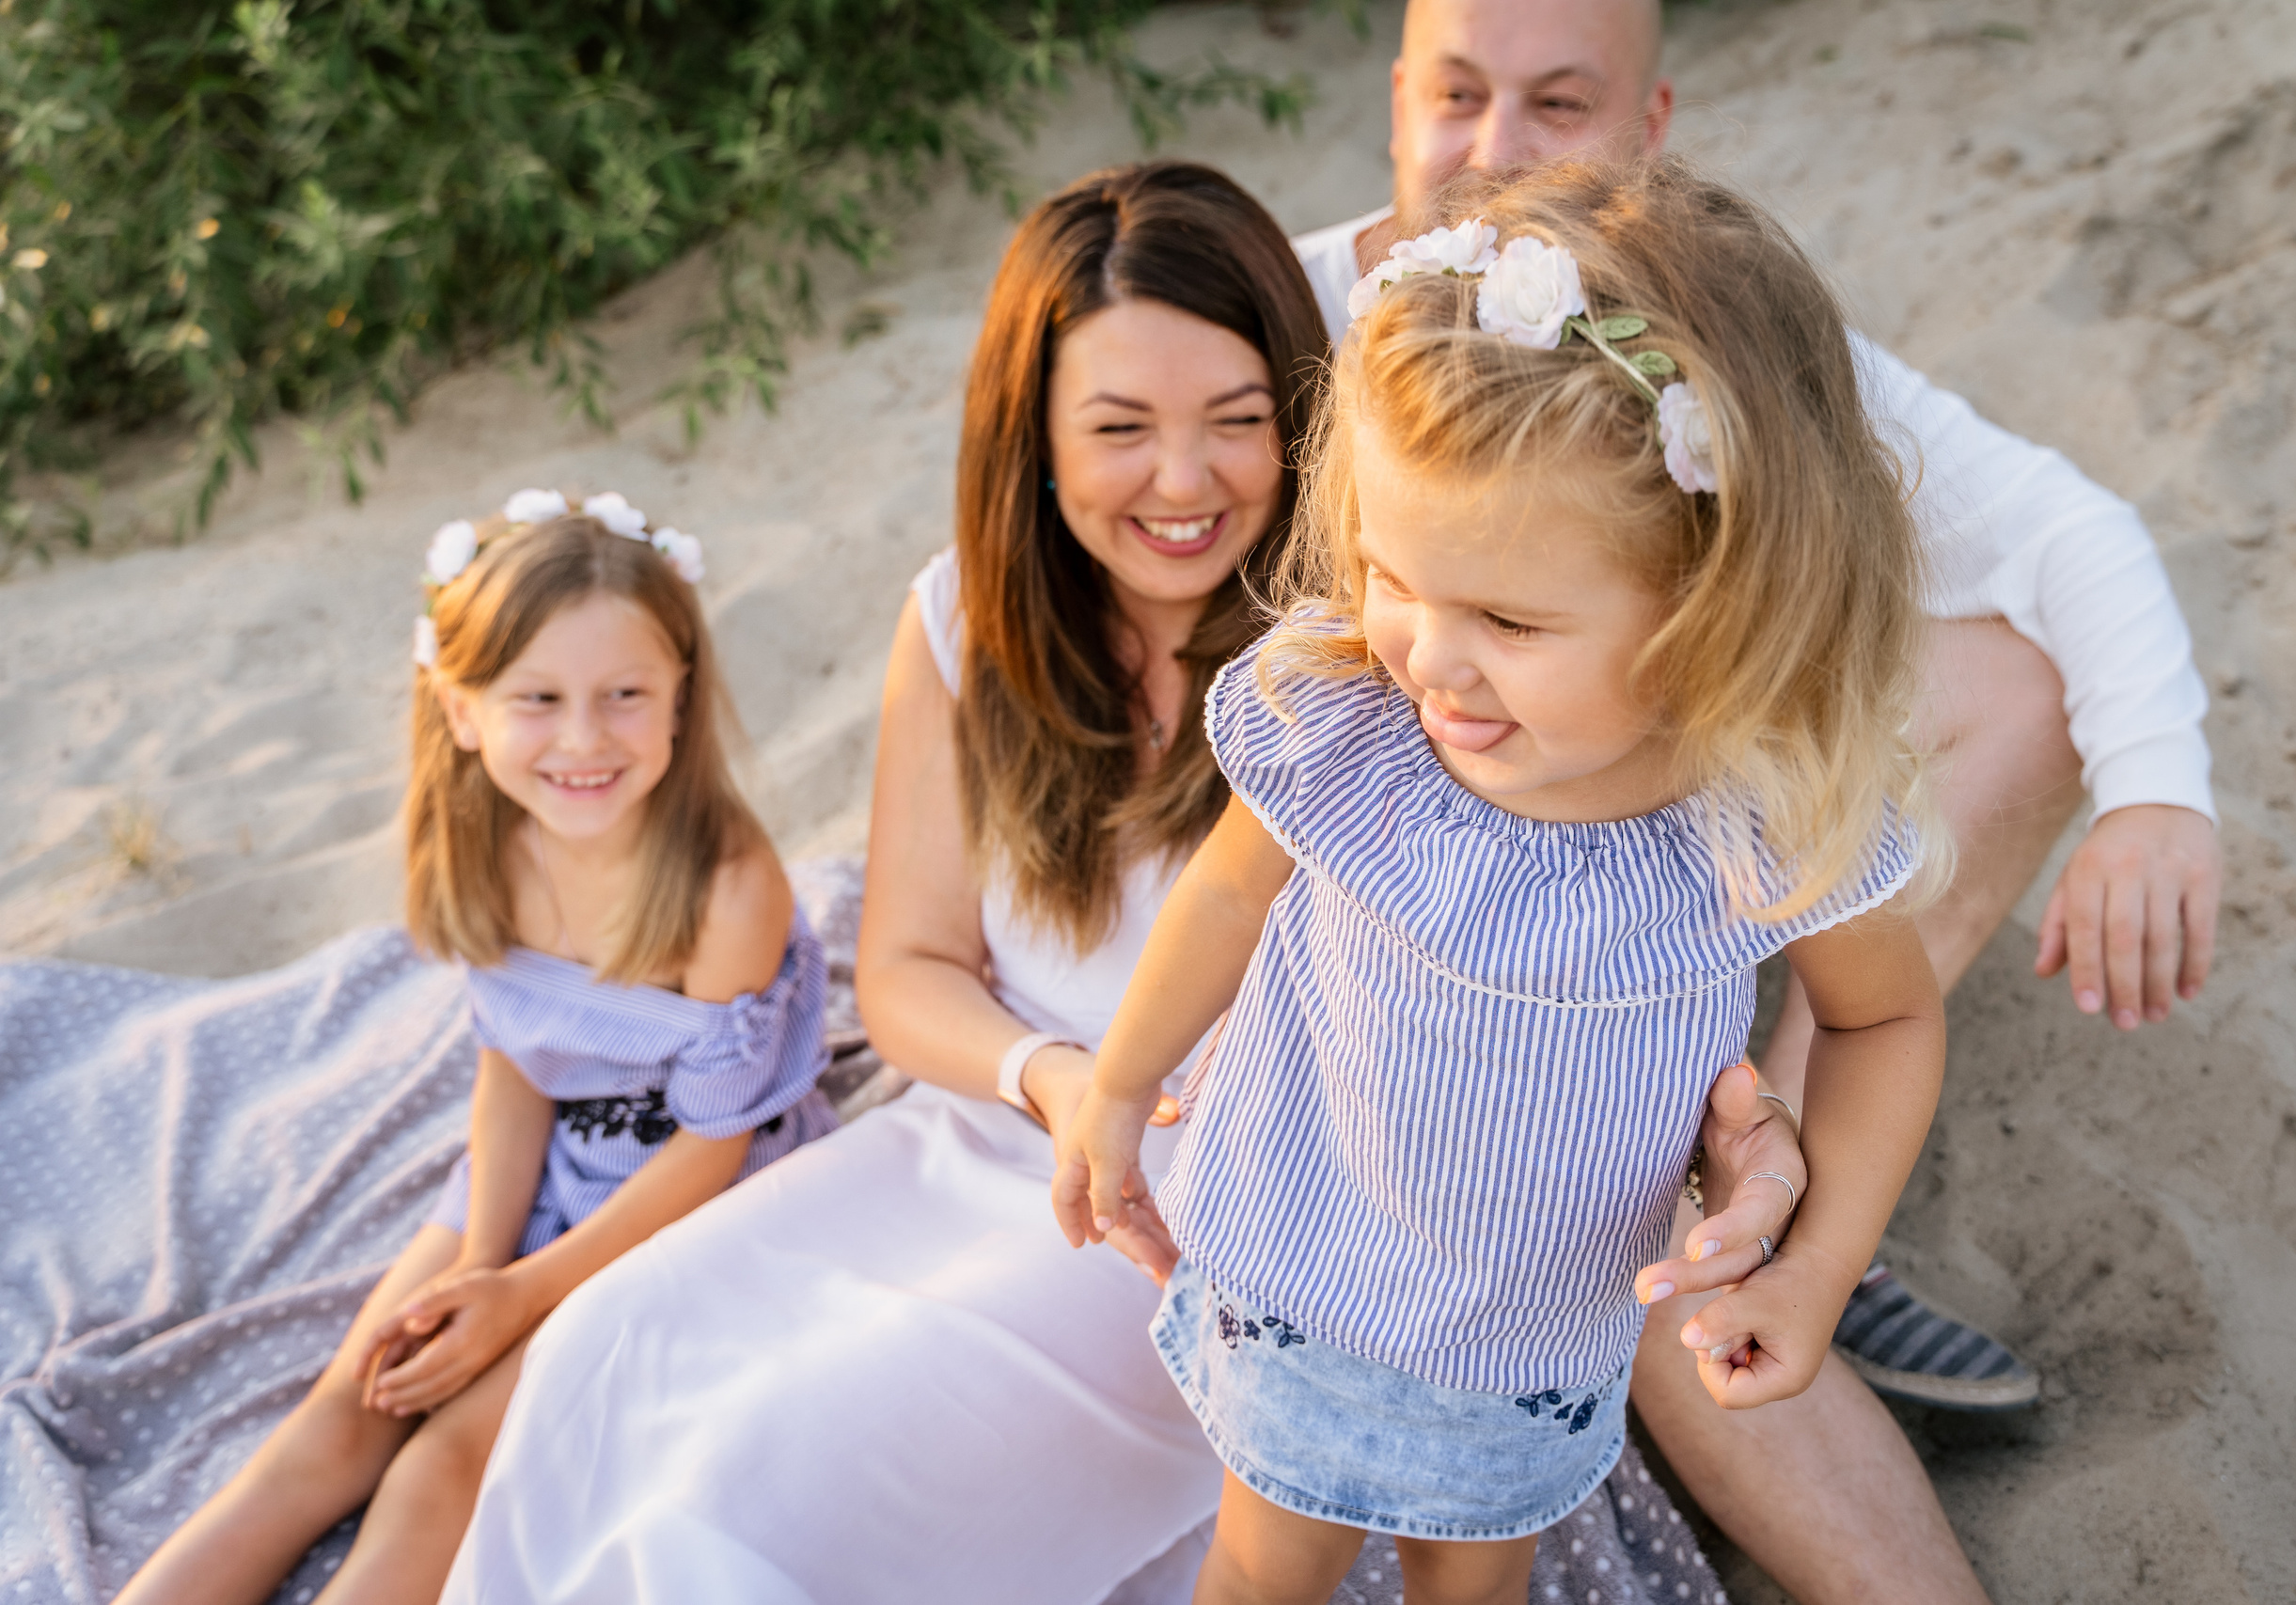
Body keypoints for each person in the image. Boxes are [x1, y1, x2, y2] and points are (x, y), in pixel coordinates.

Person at [443, 161, 1804, 1605]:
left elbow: (1603, 949)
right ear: (1032, 436)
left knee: (767, 1471)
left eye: (1235, 422)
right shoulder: (968, 613)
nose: (1181, 480)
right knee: (613, 1343)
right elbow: (904, 969)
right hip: (999, 1132)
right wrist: (1051, 1077)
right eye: (1118, 428)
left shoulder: (1390, 655)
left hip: (1246, 1204)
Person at [1052, 158, 1949, 1605]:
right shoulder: (1354, 721)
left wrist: (1815, 1266)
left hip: (1533, 1337)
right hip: (1307, 1268)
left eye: (1512, 618)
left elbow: (1882, 1022)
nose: (1429, 654)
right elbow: (1227, 896)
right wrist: (1112, 1086)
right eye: (1395, 573)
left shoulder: (1758, 818)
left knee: (1481, 1581)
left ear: (1718, 597)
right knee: (1265, 1565)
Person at [116, 496, 836, 1605]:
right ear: (460, 710)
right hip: (538, 1178)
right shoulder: (487, 849)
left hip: (683, 1209)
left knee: (445, 1464)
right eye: (537, 700)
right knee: (347, 1411)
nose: (584, 739)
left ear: (680, 698)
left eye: (624, 696)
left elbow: (709, 1152)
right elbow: (514, 1071)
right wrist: (473, 1266)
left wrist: (523, 1297)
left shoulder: (726, 889)